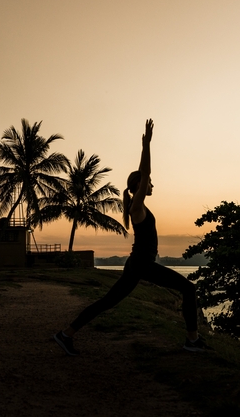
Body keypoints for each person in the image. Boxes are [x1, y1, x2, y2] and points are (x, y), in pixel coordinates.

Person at [54, 119, 210, 356]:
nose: (152, 186)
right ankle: (192, 340)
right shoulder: (137, 207)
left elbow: (144, 175)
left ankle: (66, 334)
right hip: (141, 264)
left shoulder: (138, 207)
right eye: (149, 184)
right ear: (139, 185)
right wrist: (146, 145)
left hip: (138, 264)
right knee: (188, 289)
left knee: (108, 301)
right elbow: (145, 172)